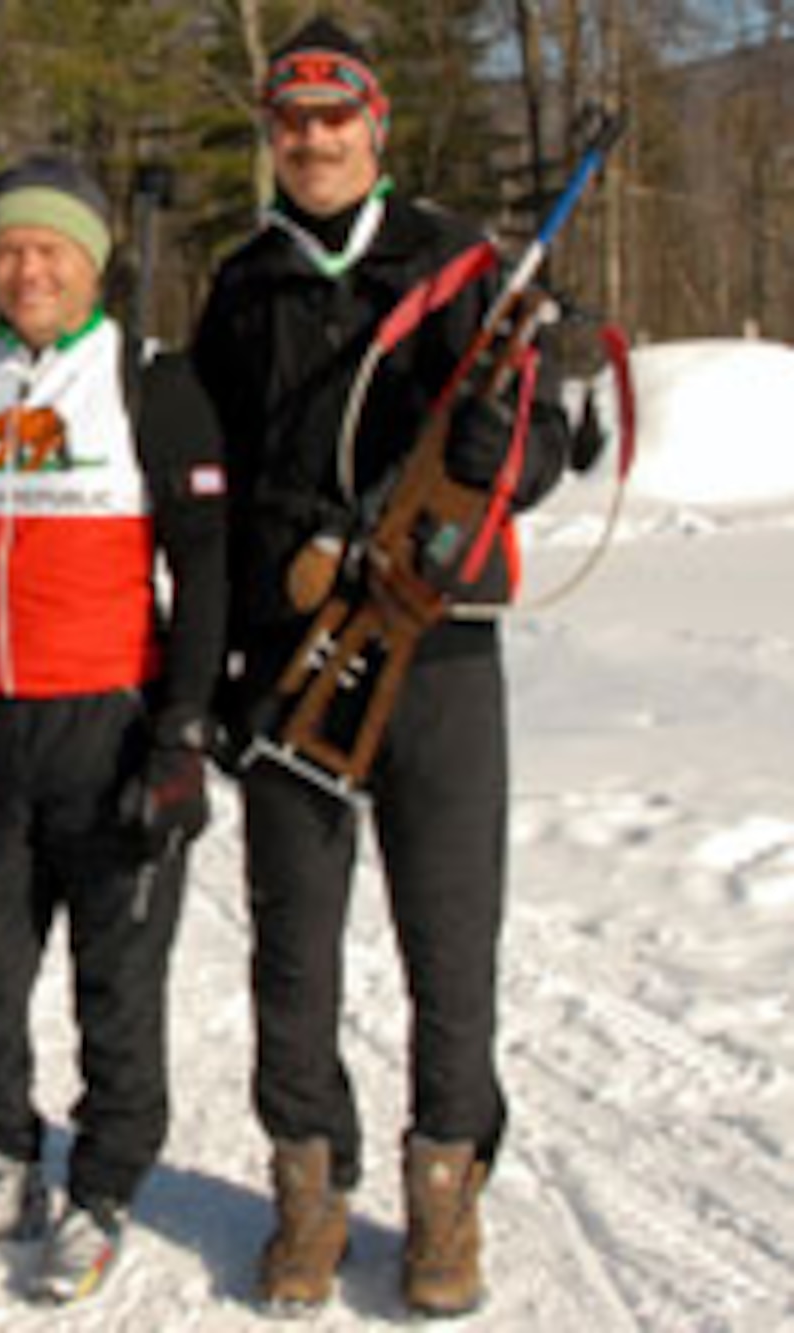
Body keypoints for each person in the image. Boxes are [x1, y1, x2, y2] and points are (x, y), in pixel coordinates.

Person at [191, 17, 571, 1318]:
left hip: (441, 647)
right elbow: (214, 482)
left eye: (334, 116)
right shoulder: (243, 286)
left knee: (450, 939)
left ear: (377, 124)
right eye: (290, 118)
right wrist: (227, 659)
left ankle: (445, 1182)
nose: (313, 138)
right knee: (293, 950)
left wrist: (494, 446)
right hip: (293, 653)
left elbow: (551, 442)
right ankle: (310, 1184)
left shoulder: (462, 263)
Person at [0, 153, 228, 1305]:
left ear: (93, 262)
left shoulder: (148, 379)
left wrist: (182, 733)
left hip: (110, 722)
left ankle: (101, 1184)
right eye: (8, 249)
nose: (28, 268)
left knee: (114, 978)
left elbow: (205, 569)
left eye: (51, 250)